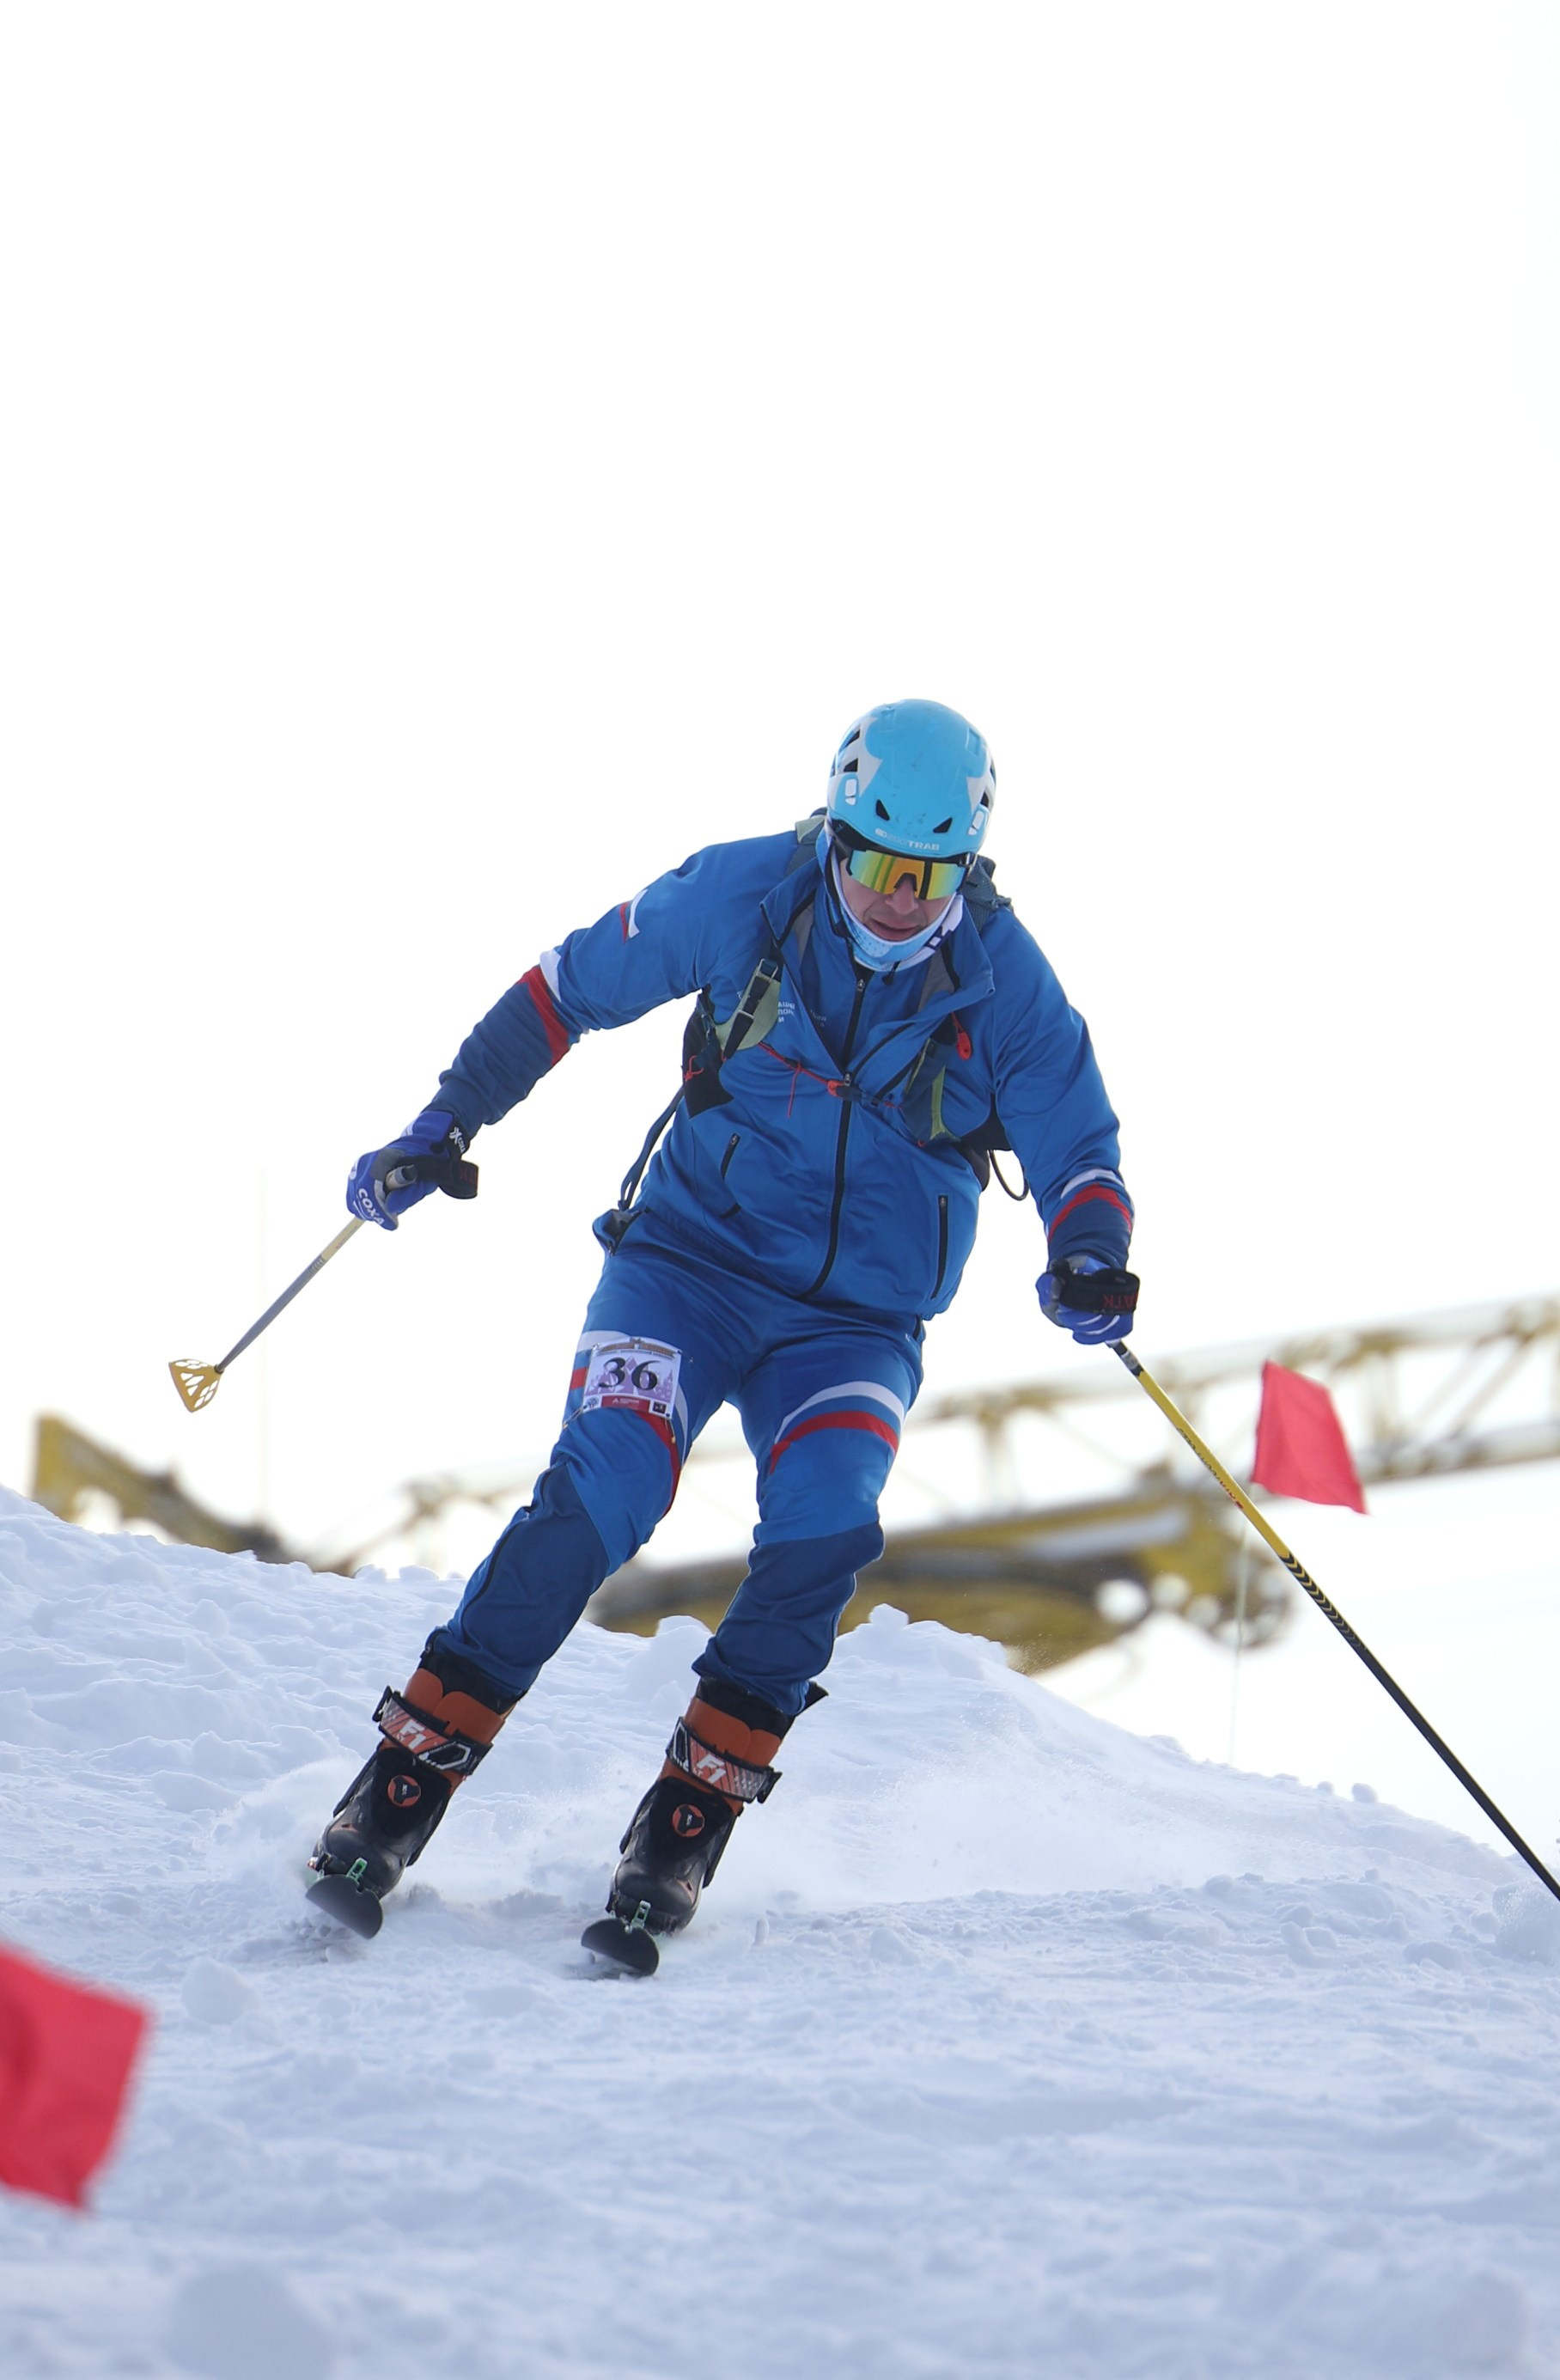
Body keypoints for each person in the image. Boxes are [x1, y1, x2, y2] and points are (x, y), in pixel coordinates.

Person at [312, 701, 1137, 1938]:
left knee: (824, 1527)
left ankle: (687, 1823)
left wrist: (1091, 1253)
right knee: (606, 1492)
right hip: (685, 1270)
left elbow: (1080, 1140)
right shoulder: (743, 894)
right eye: (872, 862)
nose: (898, 898)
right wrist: (447, 1122)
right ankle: (401, 1784)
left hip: (854, 1327)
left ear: (969, 862)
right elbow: (565, 989)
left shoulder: (1005, 978)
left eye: (929, 874)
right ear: (834, 835)